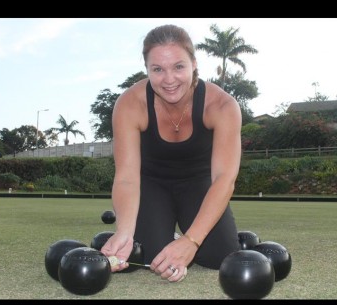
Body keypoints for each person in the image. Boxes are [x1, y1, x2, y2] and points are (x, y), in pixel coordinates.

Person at [101, 24, 242, 282]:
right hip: (151, 184)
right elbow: (127, 178)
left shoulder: (221, 105)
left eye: (178, 66)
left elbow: (224, 178)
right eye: (158, 69)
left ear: (194, 64)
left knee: (219, 256)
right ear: (147, 69)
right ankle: (166, 235)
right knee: (147, 255)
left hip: (199, 183)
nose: (168, 79)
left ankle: (182, 236)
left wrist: (191, 241)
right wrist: (124, 231)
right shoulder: (130, 104)